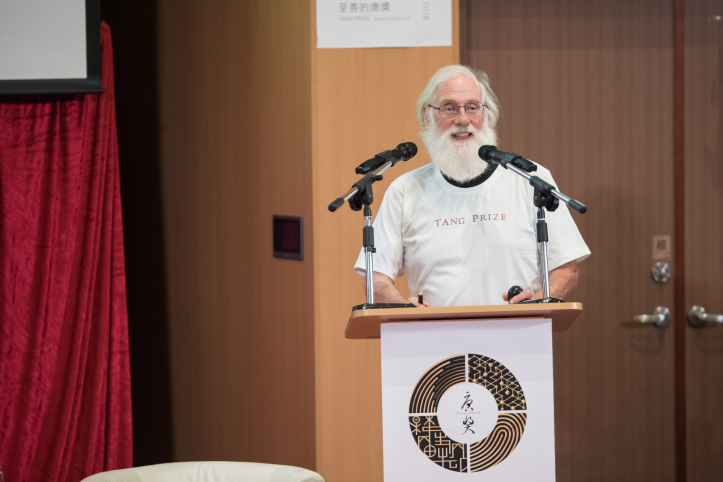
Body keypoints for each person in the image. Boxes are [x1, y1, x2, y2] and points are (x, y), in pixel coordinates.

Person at [353, 65, 590, 307]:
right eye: (449, 108)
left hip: (519, 335)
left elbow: (566, 268)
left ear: (486, 114)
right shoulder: (405, 190)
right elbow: (376, 279)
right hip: (433, 339)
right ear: (427, 115)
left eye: (473, 107)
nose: (463, 119)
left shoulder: (531, 179)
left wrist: (537, 302)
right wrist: (405, 308)